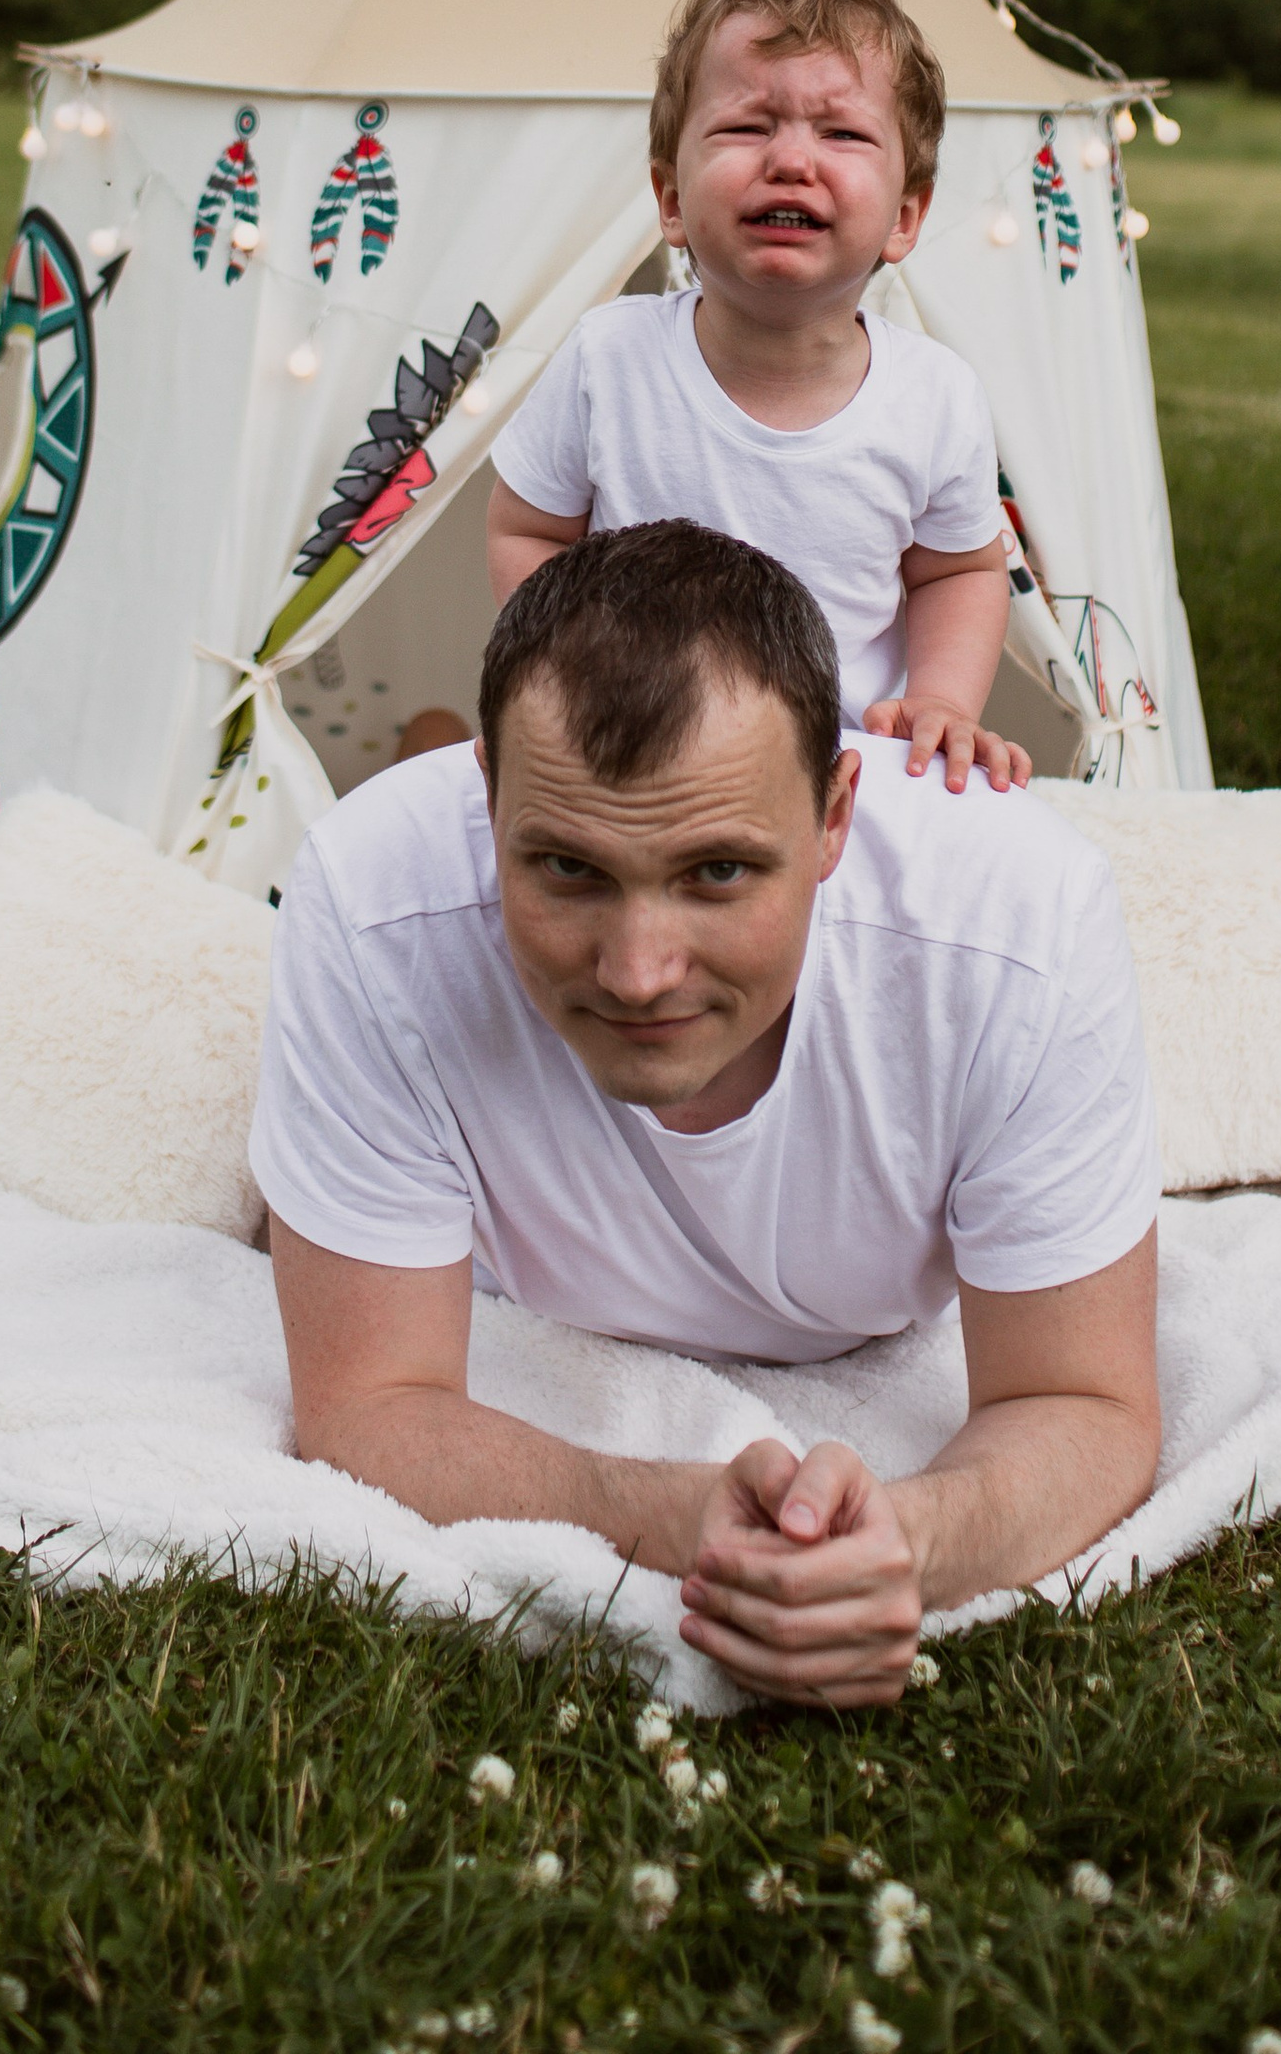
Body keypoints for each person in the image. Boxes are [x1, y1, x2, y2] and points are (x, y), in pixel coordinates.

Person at [254, 522, 1161, 1708]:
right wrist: (657, 1512)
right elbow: (368, 1401)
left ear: (837, 812)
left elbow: (1085, 1400)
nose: (638, 972)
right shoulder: (367, 896)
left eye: (717, 873)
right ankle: (426, 743)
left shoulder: (1018, 927)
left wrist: (907, 1543)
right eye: (568, 869)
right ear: (487, 804)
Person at [486, 0, 1030, 794]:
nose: (791, 160)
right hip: (635, 752)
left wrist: (940, 698)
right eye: (747, 126)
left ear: (904, 218)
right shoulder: (609, 361)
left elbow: (959, 569)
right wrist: (562, 673)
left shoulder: (935, 398)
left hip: (848, 768)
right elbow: (528, 529)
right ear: (671, 200)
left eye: (842, 133)